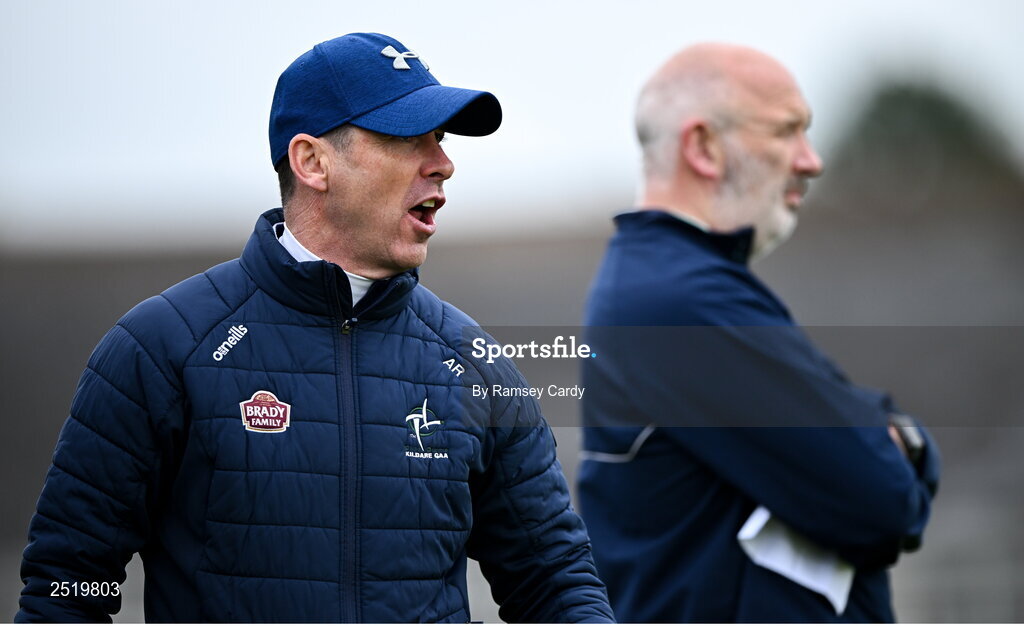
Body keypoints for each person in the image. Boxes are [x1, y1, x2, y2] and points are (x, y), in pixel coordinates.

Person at [16, 32, 613, 623]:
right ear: (312, 162)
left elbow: (553, 579)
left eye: (442, 138)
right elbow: (68, 586)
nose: (444, 163)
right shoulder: (160, 348)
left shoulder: (475, 364)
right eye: (409, 137)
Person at [577, 43, 940, 622]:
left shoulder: (666, 282)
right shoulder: (685, 300)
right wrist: (904, 440)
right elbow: (883, 501)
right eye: (787, 131)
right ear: (703, 147)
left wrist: (872, 432)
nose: (811, 161)